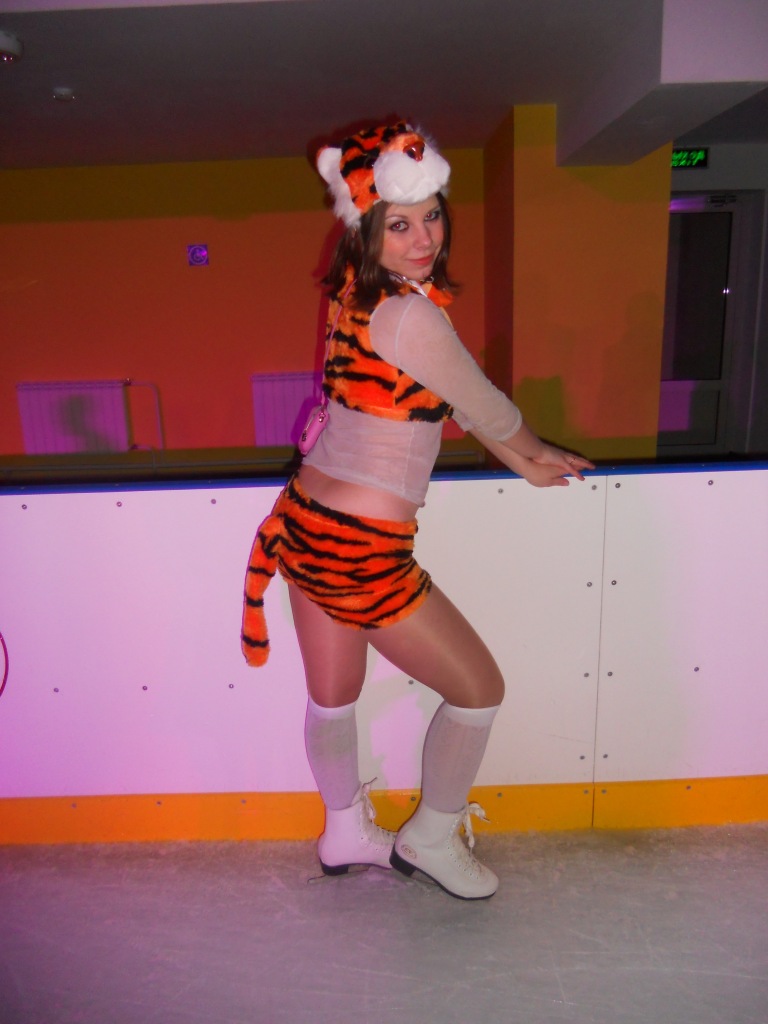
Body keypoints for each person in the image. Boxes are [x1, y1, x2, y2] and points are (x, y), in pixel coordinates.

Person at [242, 121, 594, 900]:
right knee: (479, 690)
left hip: (304, 525)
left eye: (432, 216)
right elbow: (485, 405)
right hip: (361, 549)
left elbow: (436, 400)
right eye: (399, 224)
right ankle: (431, 837)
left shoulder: (352, 297)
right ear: (367, 229)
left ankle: (343, 831)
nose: (424, 238)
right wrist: (534, 450)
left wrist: (522, 463)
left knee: (332, 698)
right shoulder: (411, 315)